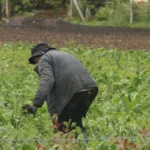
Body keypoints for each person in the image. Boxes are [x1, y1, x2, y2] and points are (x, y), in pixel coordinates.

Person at [22, 43, 98, 136]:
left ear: (38, 56)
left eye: (36, 60)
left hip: (74, 89)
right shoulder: (63, 54)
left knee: (62, 124)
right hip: (90, 88)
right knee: (75, 122)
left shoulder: (45, 58)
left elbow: (47, 81)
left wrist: (35, 105)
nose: (38, 63)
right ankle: (84, 145)